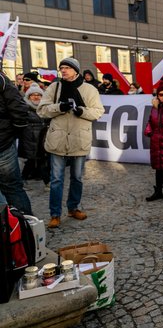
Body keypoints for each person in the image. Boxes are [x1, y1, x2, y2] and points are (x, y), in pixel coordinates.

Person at [37, 57, 104, 228]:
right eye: (62, 68)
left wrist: (80, 110)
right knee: (56, 179)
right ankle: (55, 214)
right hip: (57, 140)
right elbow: (42, 110)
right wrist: (59, 107)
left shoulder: (89, 89)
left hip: (79, 139)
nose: (64, 70)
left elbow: (98, 112)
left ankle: (73, 208)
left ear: (76, 70)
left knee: (77, 178)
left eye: (67, 67)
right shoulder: (54, 87)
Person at [0, 70, 32, 215]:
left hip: (3, 143)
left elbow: (19, 111)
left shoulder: (2, 81)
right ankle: (25, 227)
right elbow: (19, 110)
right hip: (4, 142)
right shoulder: (2, 80)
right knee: (12, 187)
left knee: (12, 187)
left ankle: (25, 227)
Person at [18, 84, 50, 189]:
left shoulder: (44, 108)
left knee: (40, 160)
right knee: (33, 161)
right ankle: (46, 182)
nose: (36, 97)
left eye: (38, 95)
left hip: (41, 140)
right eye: (33, 95)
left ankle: (46, 182)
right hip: (29, 139)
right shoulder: (24, 109)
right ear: (28, 97)